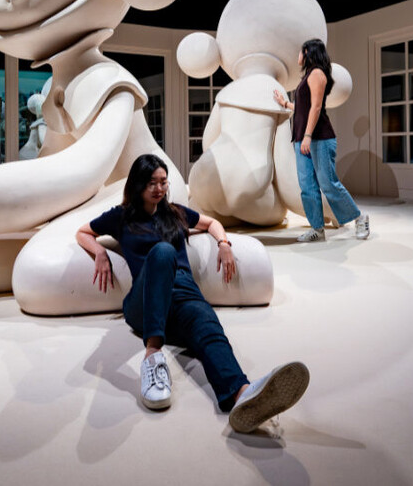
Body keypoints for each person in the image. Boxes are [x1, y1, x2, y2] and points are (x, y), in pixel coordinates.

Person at [77, 154, 310, 432]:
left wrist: (223, 243)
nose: (159, 189)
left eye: (163, 182)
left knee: (208, 327)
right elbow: (82, 232)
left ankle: (242, 394)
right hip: (144, 301)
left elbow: (211, 223)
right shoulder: (121, 217)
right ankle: (153, 355)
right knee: (163, 252)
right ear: (137, 184)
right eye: (151, 183)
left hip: (184, 294)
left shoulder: (175, 212)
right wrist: (100, 252)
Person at [272, 38, 369, 242]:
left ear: (307, 52)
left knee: (328, 183)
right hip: (303, 139)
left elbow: (316, 108)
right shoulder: (308, 75)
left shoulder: (317, 74)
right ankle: (317, 228)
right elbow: (304, 107)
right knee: (307, 186)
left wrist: (307, 136)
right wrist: (286, 104)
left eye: (300, 51)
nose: (298, 56)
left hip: (319, 138)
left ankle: (360, 218)